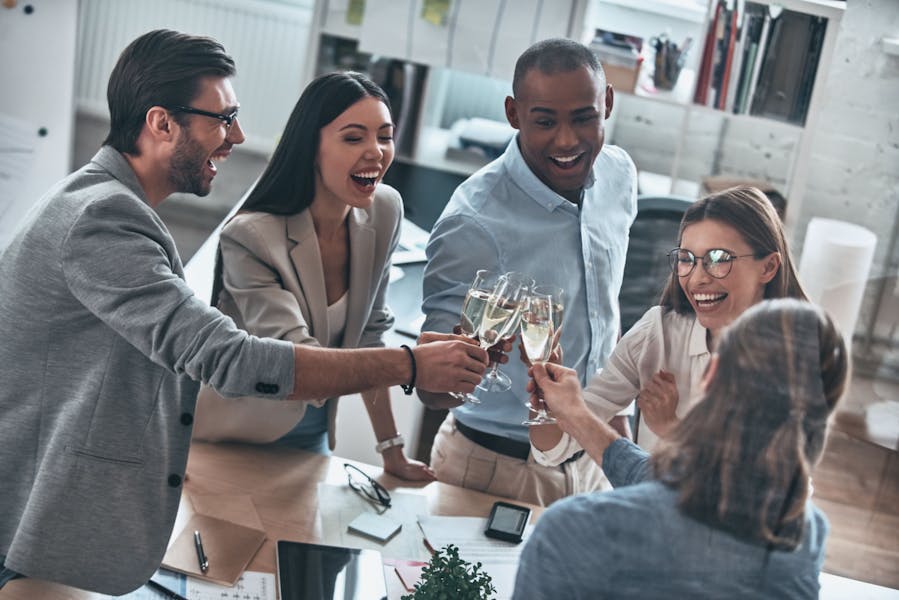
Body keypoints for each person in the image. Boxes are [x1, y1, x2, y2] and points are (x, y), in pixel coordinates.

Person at [0, 30, 487, 595]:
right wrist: (409, 365)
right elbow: (229, 360)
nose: (238, 136)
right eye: (223, 118)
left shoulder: (103, 202)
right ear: (162, 124)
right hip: (33, 513)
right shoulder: (104, 219)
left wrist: (391, 436)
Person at [419, 38, 638, 506]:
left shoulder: (619, 176)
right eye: (545, 121)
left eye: (583, 117)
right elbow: (432, 390)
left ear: (609, 105)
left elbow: (604, 318)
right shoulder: (472, 222)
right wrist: (471, 364)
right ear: (513, 114)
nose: (566, 140)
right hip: (496, 469)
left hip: (596, 458)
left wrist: (621, 431)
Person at [514, 298, 849, 599]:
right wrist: (576, 414)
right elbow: (668, 485)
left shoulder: (575, 531)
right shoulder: (804, 532)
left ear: (711, 374)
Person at [192, 71, 434, 481]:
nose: (376, 152)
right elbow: (295, 363)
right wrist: (412, 364)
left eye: (385, 136)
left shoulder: (385, 211)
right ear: (312, 148)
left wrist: (391, 452)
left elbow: (370, 334)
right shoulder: (251, 237)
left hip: (312, 437)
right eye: (354, 138)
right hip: (234, 441)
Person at [529, 186, 807, 464]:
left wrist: (672, 431)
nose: (697, 279)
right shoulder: (658, 332)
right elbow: (554, 449)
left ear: (768, 267)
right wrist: (549, 398)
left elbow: (768, 489)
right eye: (686, 260)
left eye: (718, 259)